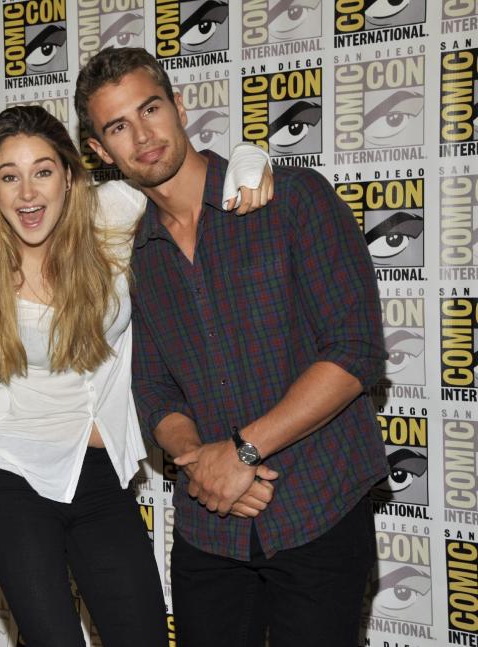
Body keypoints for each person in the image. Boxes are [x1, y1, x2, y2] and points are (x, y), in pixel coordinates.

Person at [0, 105, 271, 646]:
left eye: (42, 171)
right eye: (9, 176)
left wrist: (251, 163)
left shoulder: (111, 216)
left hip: (103, 477)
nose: (28, 193)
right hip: (16, 472)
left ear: (69, 177)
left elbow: (187, 176)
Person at [75, 47, 387, 646]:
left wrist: (240, 455)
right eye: (118, 126)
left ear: (179, 106)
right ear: (99, 151)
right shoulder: (130, 255)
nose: (142, 135)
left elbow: (355, 352)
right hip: (211, 528)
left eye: (150, 109)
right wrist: (202, 464)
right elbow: (154, 389)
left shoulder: (293, 199)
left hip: (318, 506)